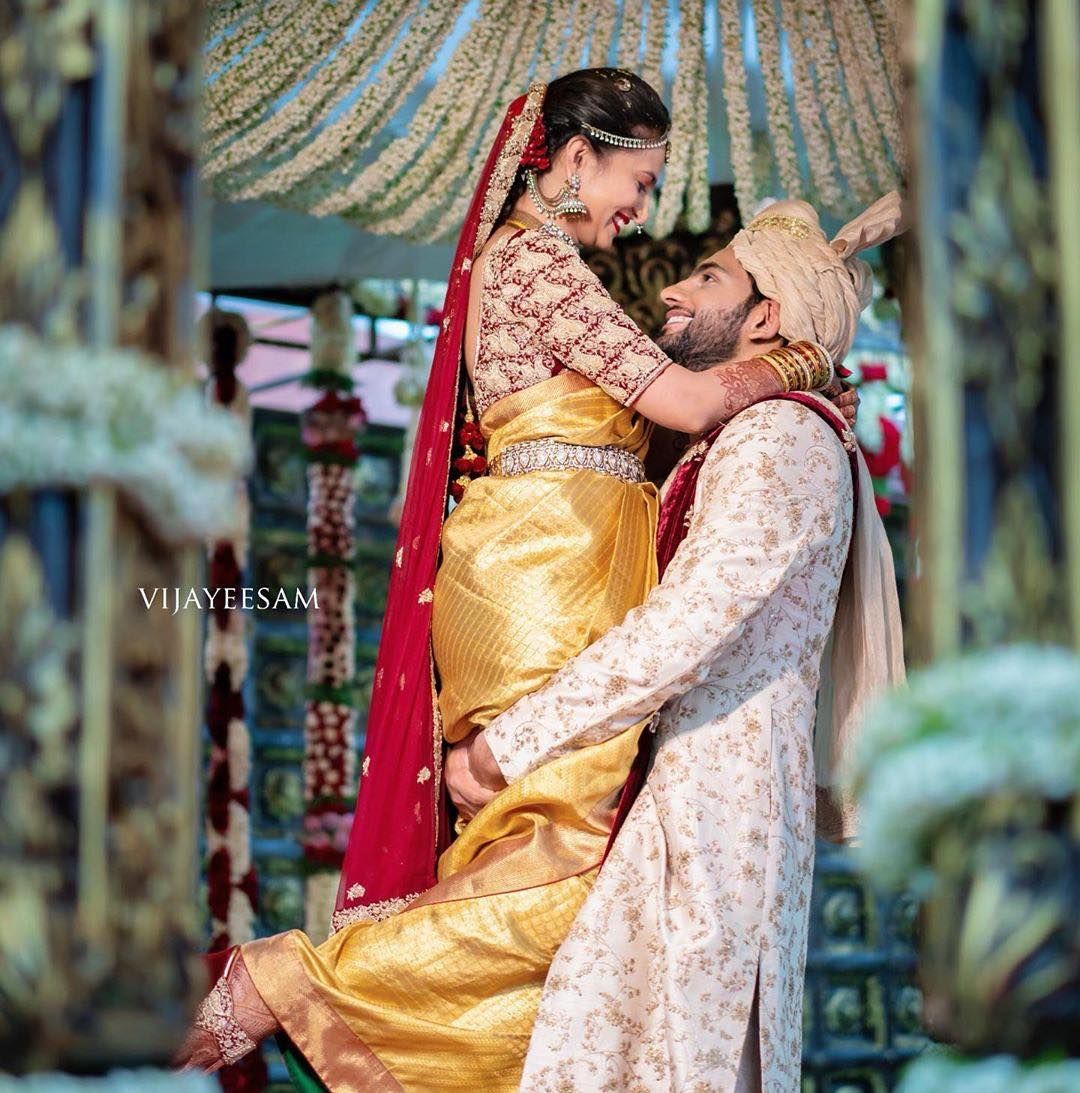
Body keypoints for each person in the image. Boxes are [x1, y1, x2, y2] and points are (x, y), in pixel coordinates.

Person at [179, 70, 844, 1090]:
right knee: (574, 860)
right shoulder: (537, 264)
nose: (642, 213)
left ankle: (332, 1012)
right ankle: (284, 984)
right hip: (544, 574)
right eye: (639, 178)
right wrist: (803, 362)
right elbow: (694, 399)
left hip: (543, 566)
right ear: (576, 156)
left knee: (538, 864)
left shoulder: (542, 266)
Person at [447, 192, 907, 1092]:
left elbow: (686, 626)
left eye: (707, 277)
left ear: (765, 316)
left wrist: (508, 746)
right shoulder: (760, 431)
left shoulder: (782, 435)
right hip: (691, 794)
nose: (670, 294)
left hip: (716, 810)